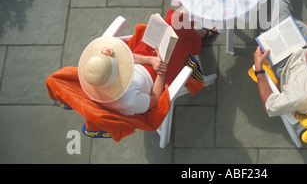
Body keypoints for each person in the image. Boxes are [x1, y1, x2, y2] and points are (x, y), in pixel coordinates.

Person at [77, 9, 213, 116]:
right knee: (178, 29)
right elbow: (155, 98)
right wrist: (160, 67)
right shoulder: (130, 102)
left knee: (173, 21)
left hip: (142, 59)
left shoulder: (96, 75)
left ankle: (195, 29)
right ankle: (200, 33)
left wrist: (150, 60)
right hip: (158, 74)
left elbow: (123, 56)